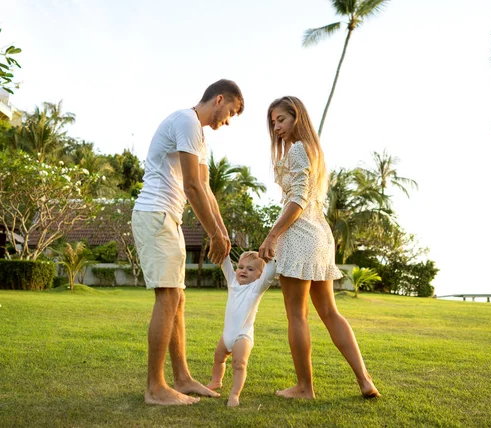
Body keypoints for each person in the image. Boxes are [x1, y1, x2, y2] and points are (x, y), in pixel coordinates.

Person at [131, 79, 244, 406]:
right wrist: (212, 234)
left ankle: (181, 378)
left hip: (168, 217)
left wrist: (222, 233)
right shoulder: (185, 121)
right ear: (219, 99)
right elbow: (191, 187)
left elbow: (206, 189)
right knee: (168, 298)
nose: (228, 120)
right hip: (156, 213)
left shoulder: (199, 136)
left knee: (177, 299)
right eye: (231, 112)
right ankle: (155, 388)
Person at [259, 96, 380, 399]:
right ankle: (365, 380)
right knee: (329, 311)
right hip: (321, 236)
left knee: (297, 315)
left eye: (281, 120)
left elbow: (298, 199)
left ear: (297, 117)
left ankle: (304, 387)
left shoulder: (299, 150)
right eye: (273, 122)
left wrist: (273, 235)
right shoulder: (313, 151)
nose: (276, 127)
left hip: (299, 235)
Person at [206, 252, 276, 407]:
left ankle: (235, 394)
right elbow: (225, 263)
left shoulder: (256, 288)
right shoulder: (232, 283)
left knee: (239, 364)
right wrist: (220, 242)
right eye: (241, 267)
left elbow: (270, 272)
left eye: (250, 269)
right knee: (219, 358)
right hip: (227, 335)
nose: (243, 271)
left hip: (242, 336)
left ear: (260, 275)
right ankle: (216, 381)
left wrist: (270, 256)